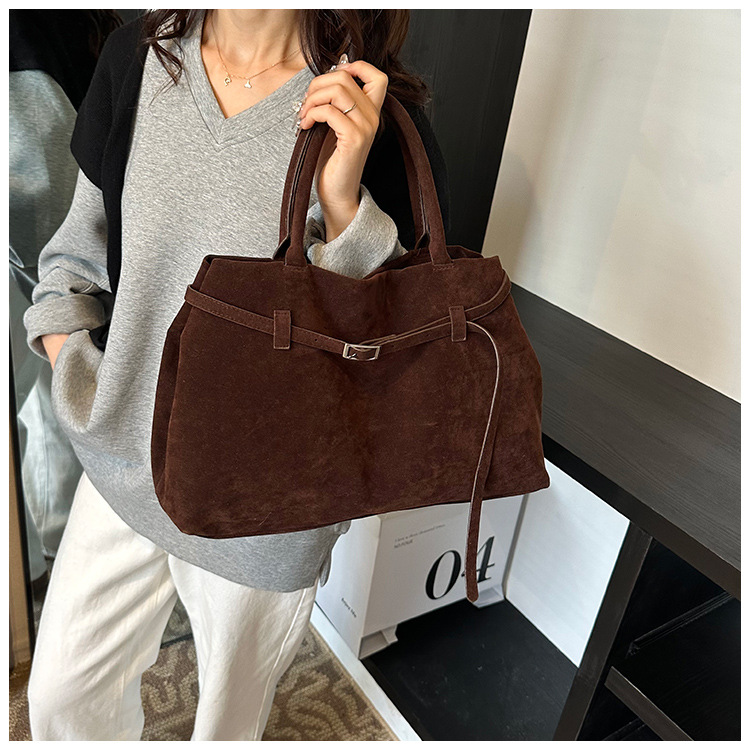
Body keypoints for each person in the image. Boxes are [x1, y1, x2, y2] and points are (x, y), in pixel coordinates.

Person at [23, 9, 449, 741]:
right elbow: (76, 253)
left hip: (269, 503)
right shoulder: (136, 60)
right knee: (63, 695)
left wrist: (344, 207)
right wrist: (78, 372)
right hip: (126, 458)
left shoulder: (371, 108)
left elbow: (382, 351)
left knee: (228, 724)